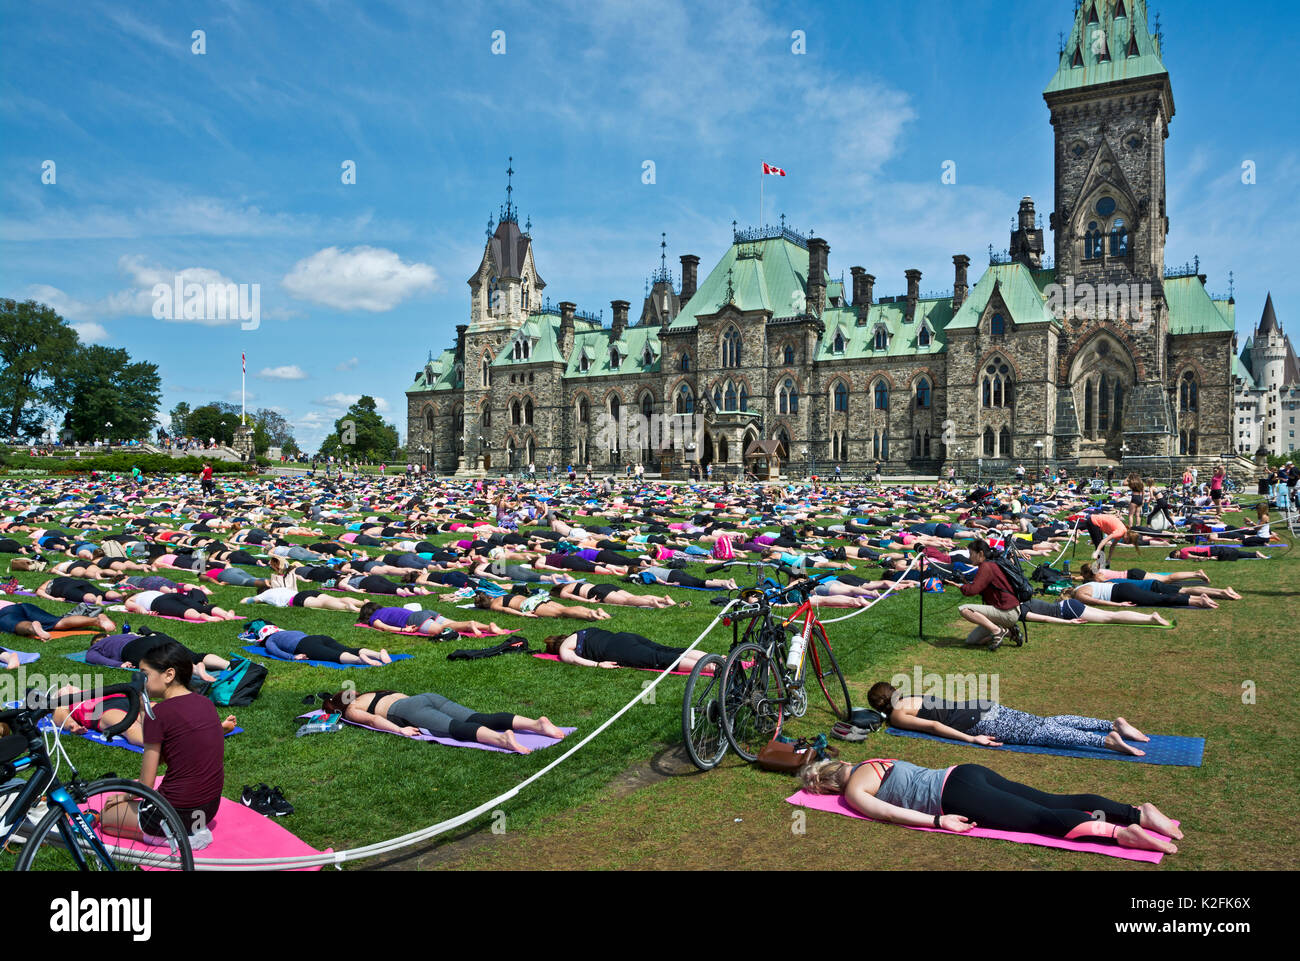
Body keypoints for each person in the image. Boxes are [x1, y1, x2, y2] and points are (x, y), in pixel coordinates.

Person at [799, 757, 1181, 853]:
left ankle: (1122, 833)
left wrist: (936, 821)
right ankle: (1137, 812)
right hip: (965, 773)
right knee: (1052, 800)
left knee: (1038, 818)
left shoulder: (852, 791)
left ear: (828, 786)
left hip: (956, 796)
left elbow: (889, 813)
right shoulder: (873, 762)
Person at [98, 641, 228, 845]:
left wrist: (124, 797)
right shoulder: (205, 703)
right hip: (208, 809)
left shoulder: (159, 714)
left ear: (169, 674)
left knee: (107, 818)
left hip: (176, 812)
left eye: (145, 675)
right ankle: (187, 831)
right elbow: (172, 756)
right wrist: (143, 710)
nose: (141, 681)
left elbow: (146, 784)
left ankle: (167, 838)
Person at [868, 681, 1151, 755]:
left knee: (1039, 734)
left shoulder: (897, 715)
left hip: (978, 723)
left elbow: (933, 725)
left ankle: (1106, 741)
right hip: (983, 707)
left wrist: (971, 738)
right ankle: (1110, 725)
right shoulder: (908, 697)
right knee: (1043, 722)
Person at [322, 688, 566, 754]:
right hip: (427, 697)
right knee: (478, 717)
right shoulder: (371, 694)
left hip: (410, 708)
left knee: (454, 729)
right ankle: (536, 724)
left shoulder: (353, 709)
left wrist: (401, 730)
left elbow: (375, 720)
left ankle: (501, 739)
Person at [541, 628, 712, 673]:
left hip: (616, 650)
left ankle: (711, 667)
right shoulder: (581, 632)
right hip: (624, 637)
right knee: (668, 650)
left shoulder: (564, 648)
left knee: (660, 659)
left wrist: (597, 665)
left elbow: (572, 659)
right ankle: (713, 658)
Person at [956, 539, 1022, 650]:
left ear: (980, 553)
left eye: (971, 554)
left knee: (964, 609)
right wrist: (966, 583)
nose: (969, 557)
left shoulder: (986, 567)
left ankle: (997, 631)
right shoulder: (990, 565)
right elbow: (980, 589)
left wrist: (961, 586)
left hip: (1007, 612)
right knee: (972, 641)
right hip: (1008, 610)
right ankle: (1010, 632)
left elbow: (972, 591)